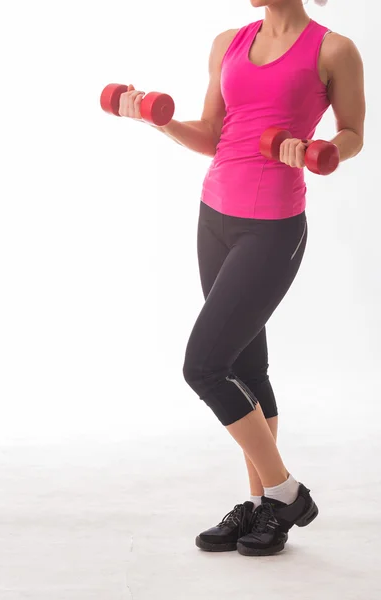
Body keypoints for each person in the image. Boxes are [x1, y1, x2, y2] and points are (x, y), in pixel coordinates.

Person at [118, 0, 365, 556]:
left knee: (203, 366)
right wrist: (159, 121)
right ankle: (261, 509)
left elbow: (353, 132)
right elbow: (211, 134)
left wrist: (320, 150)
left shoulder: (334, 49)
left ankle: (286, 493)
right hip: (214, 215)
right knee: (245, 368)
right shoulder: (229, 41)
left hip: (273, 227)